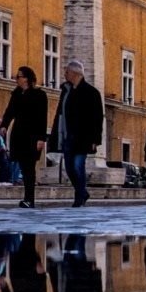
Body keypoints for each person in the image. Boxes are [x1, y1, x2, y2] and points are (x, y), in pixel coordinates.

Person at [51, 59, 104, 207]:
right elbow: (59, 114)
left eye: (66, 72)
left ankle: (79, 197)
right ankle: (82, 192)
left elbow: (98, 118)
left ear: (75, 73)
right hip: (68, 136)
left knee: (77, 165)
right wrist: (56, 134)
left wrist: (95, 139)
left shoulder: (92, 93)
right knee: (69, 168)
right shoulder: (66, 91)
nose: (65, 74)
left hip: (84, 137)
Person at [1, 66, 51, 208]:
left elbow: (42, 117)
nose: (16, 79)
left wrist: (42, 138)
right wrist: (4, 125)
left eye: (19, 76)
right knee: (23, 166)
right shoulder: (16, 93)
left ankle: (30, 198)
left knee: (29, 167)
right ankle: (27, 198)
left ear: (27, 79)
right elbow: (10, 111)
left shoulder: (39, 95)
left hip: (33, 136)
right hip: (19, 134)